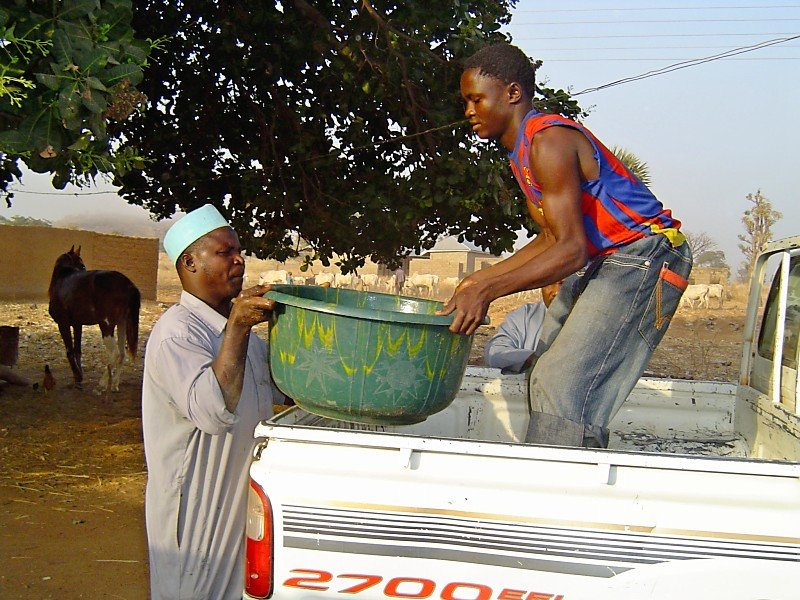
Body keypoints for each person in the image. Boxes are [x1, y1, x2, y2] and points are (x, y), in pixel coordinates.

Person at [439, 43, 692, 448]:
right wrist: (477, 281)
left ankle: (561, 479)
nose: (468, 110)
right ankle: (562, 461)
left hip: (644, 254)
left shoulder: (549, 140)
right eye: (465, 101)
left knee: (562, 384)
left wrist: (489, 291)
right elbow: (551, 238)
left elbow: (571, 250)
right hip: (607, 259)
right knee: (543, 369)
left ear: (512, 93)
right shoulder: (522, 153)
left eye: (476, 99)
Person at [142, 204, 284, 599]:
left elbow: (280, 388)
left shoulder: (240, 335)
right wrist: (238, 325)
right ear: (190, 262)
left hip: (237, 499)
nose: (239, 260)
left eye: (239, 251)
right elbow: (212, 412)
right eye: (225, 252)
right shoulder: (178, 334)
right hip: (197, 507)